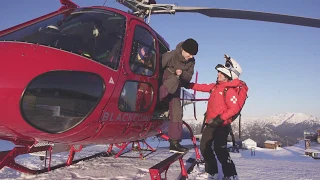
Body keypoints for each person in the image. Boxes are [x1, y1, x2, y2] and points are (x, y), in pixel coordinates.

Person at [187, 56, 243, 179]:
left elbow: (234, 108)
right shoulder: (215, 87)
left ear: (227, 76)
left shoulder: (229, 90)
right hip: (211, 123)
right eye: (218, 72)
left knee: (220, 150)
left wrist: (220, 118)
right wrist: (188, 84)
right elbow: (202, 86)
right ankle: (212, 171)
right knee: (204, 147)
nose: (218, 74)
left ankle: (231, 174)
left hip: (221, 125)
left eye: (221, 73)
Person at [160, 38, 198, 153]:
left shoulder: (191, 62)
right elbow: (157, 68)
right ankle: (161, 100)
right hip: (164, 83)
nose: (191, 56)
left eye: (193, 55)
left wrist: (181, 74)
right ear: (183, 49)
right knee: (173, 80)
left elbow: (188, 78)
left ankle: (174, 142)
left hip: (176, 89)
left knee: (177, 112)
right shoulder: (171, 55)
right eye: (190, 54)